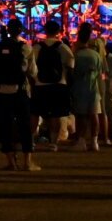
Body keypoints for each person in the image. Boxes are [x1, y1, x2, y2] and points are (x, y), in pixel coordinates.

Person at [0, 20, 38, 173]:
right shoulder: (25, 48)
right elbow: (32, 71)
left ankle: (11, 161)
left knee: (4, 126)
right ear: (20, 31)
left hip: (1, 91)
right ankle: (28, 162)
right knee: (24, 126)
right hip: (19, 90)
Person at [32, 20, 74, 150]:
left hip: (40, 84)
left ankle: (31, 141)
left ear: (45, 31)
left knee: (35, 113)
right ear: (58, 32)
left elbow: (31, 65)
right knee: (56, 114)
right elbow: (71, 64)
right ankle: (53, 143)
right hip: (58, 84)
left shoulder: (37, 47)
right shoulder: (62, 47)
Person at [69, 23, 105, 153]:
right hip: (94, 87)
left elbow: (72, 73)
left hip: (79, 87)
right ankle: (94, 141)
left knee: (81, 116)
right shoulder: (96, 55)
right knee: (94, 114)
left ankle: (81, 140)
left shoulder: (76, 56)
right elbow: (101, 71)